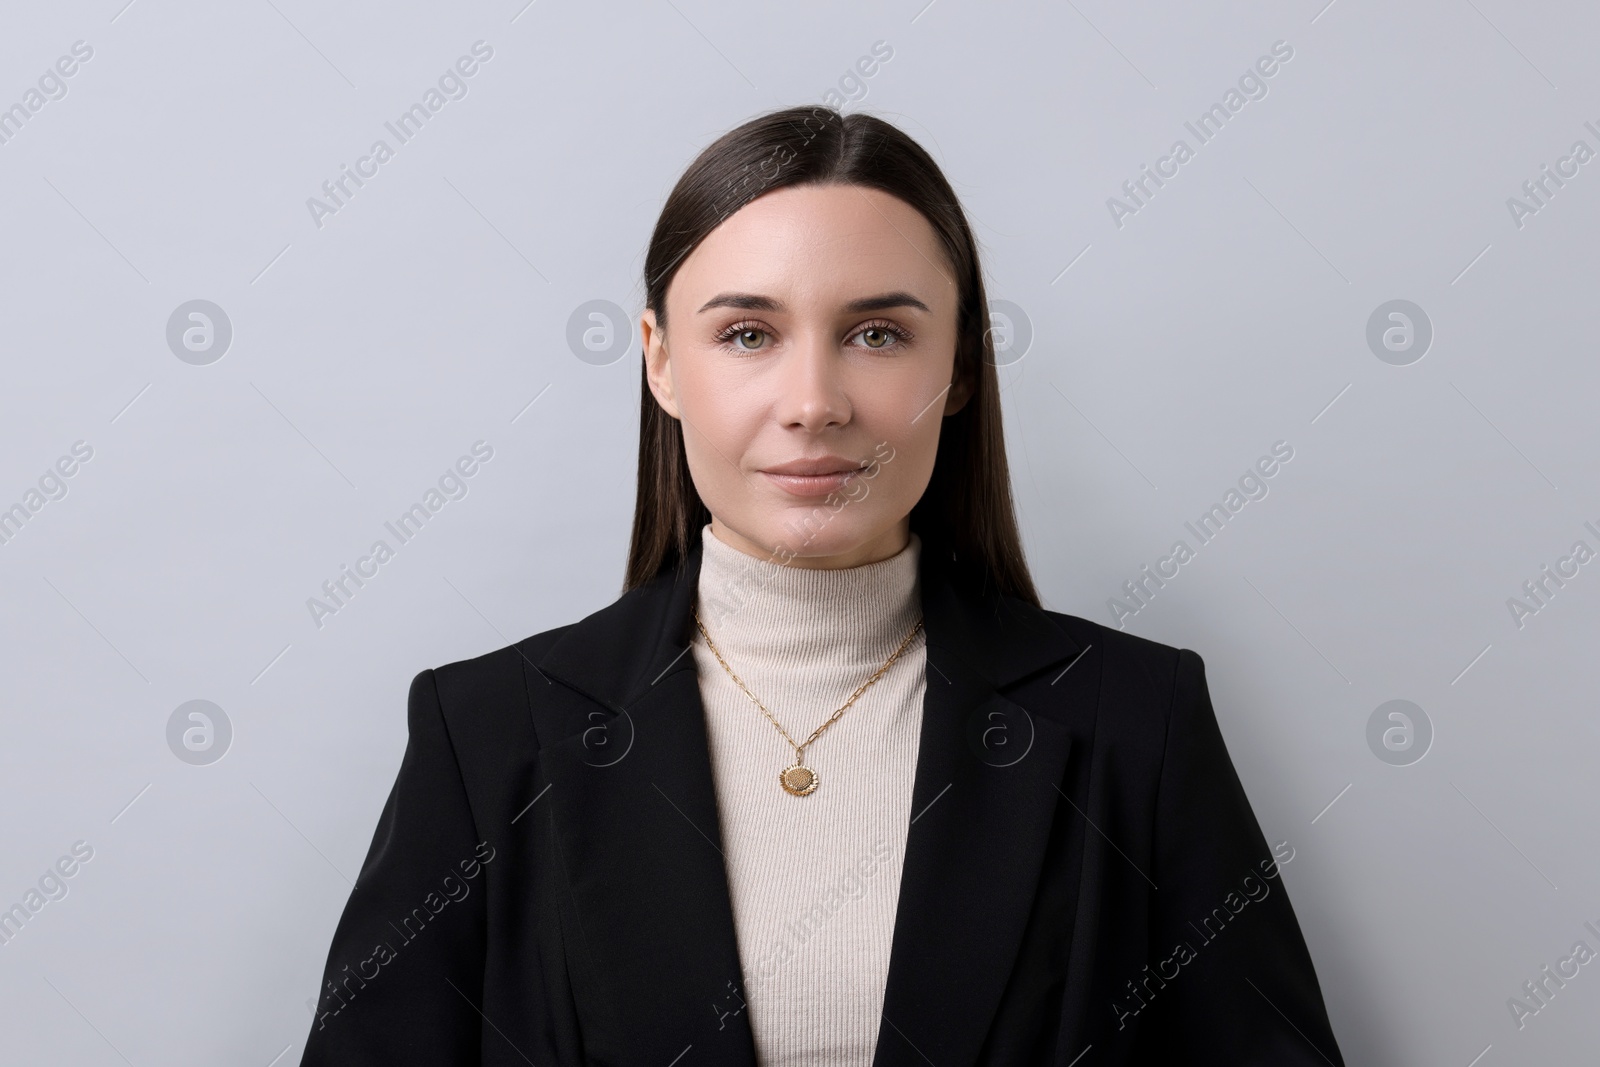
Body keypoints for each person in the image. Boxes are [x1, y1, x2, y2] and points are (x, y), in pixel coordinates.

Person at [299, 105, 1344, 1066]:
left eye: (878, 333)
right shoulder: (487, 735)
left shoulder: (1134, 722)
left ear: (962, 365)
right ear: (662, 361)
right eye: (747, 334)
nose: (813, 401)